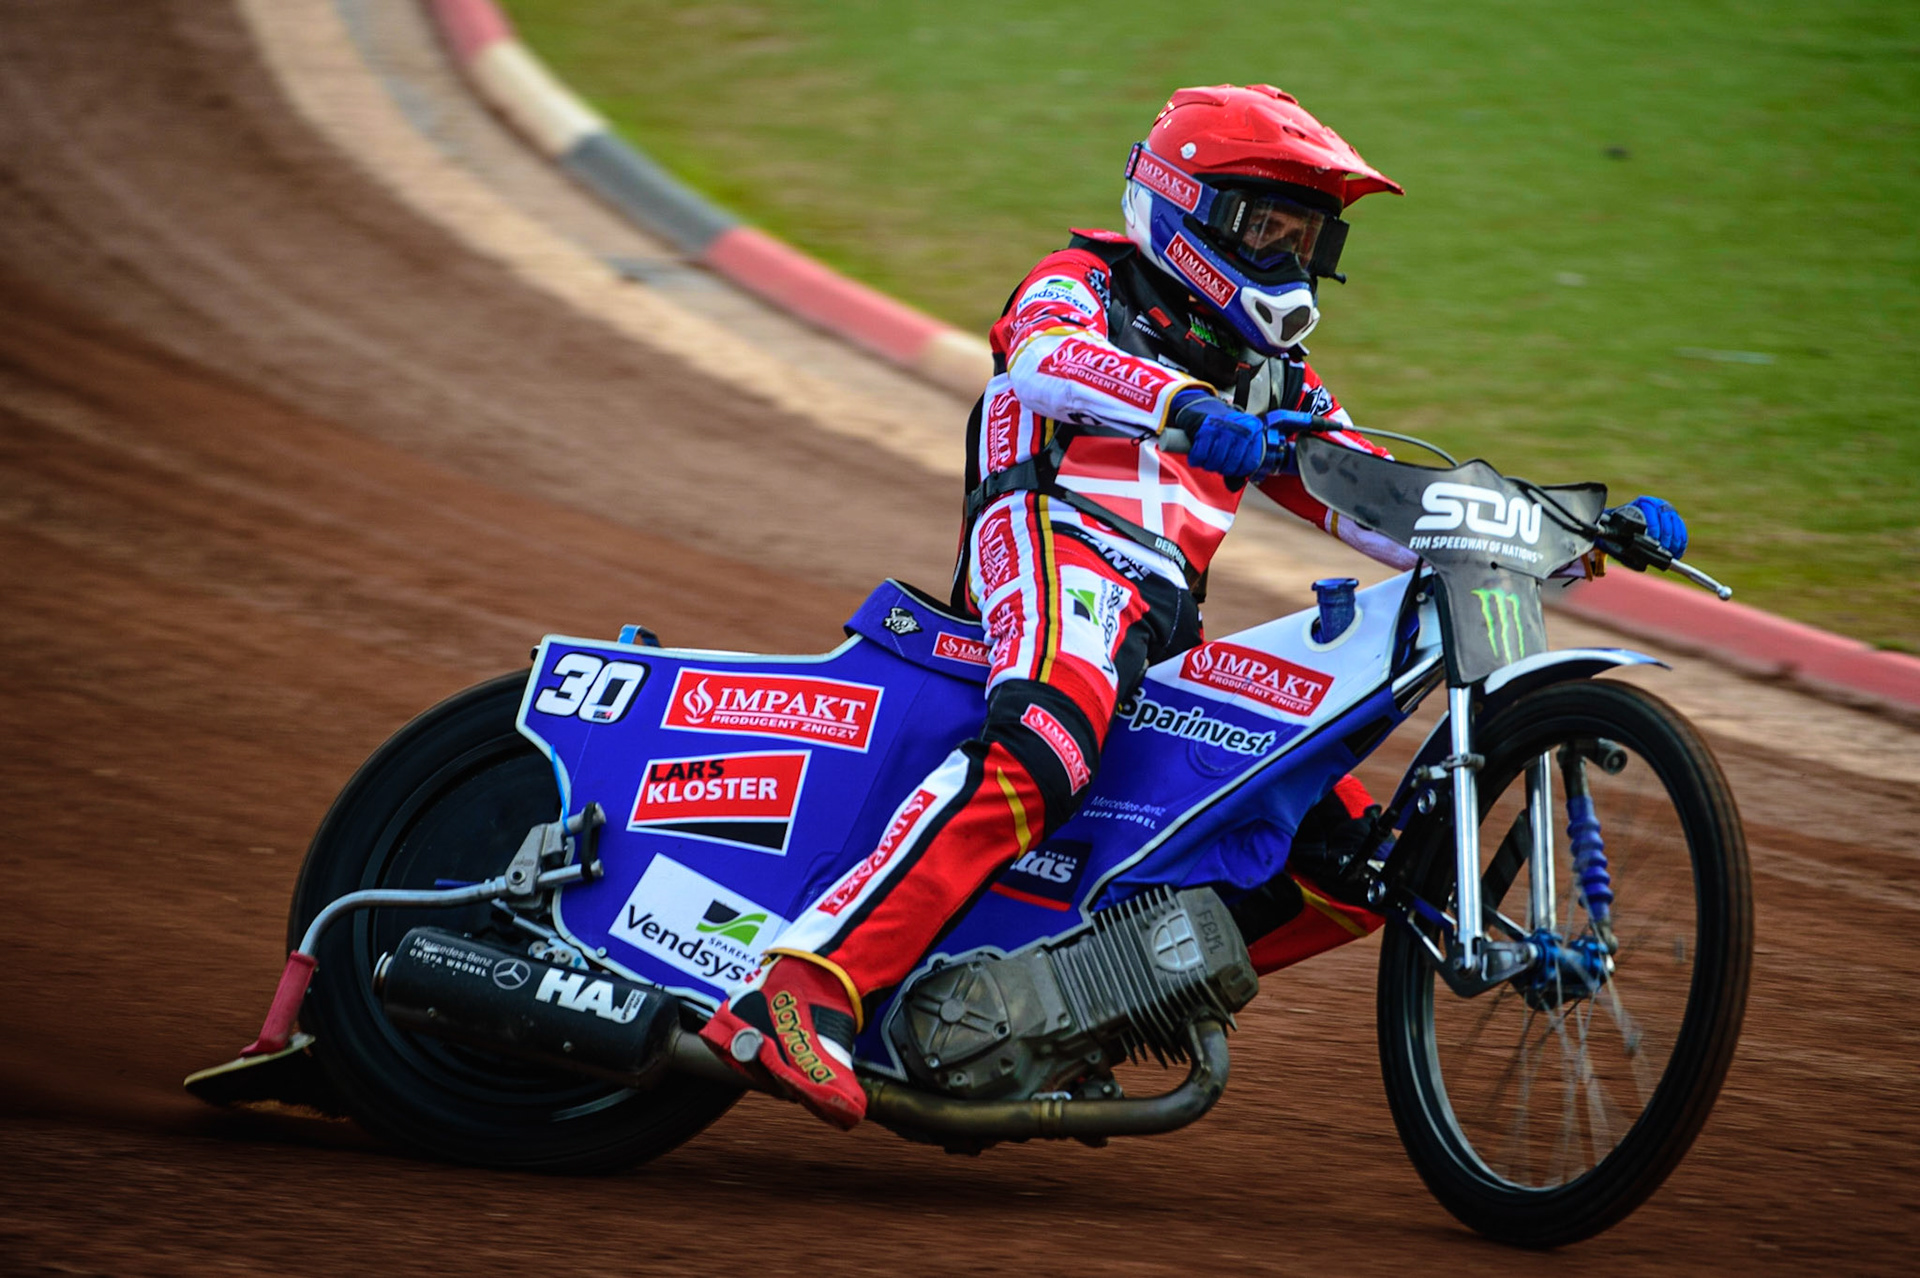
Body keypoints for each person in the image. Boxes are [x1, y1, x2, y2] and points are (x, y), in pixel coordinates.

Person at [698, 84, 1689, 1130]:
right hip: (1049, 547)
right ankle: (801, 988)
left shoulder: (1275, 374)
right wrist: (1180, 406)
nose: (1289, 256)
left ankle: (1067, 1007)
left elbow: (1385, 506)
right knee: (1048, 739)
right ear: (1186, 208)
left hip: (1166, 627)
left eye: (1306, 235)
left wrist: (1570, 539)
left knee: (1351, 865)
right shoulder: (1083, 280)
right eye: (1267, 227)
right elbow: (1040, 361)